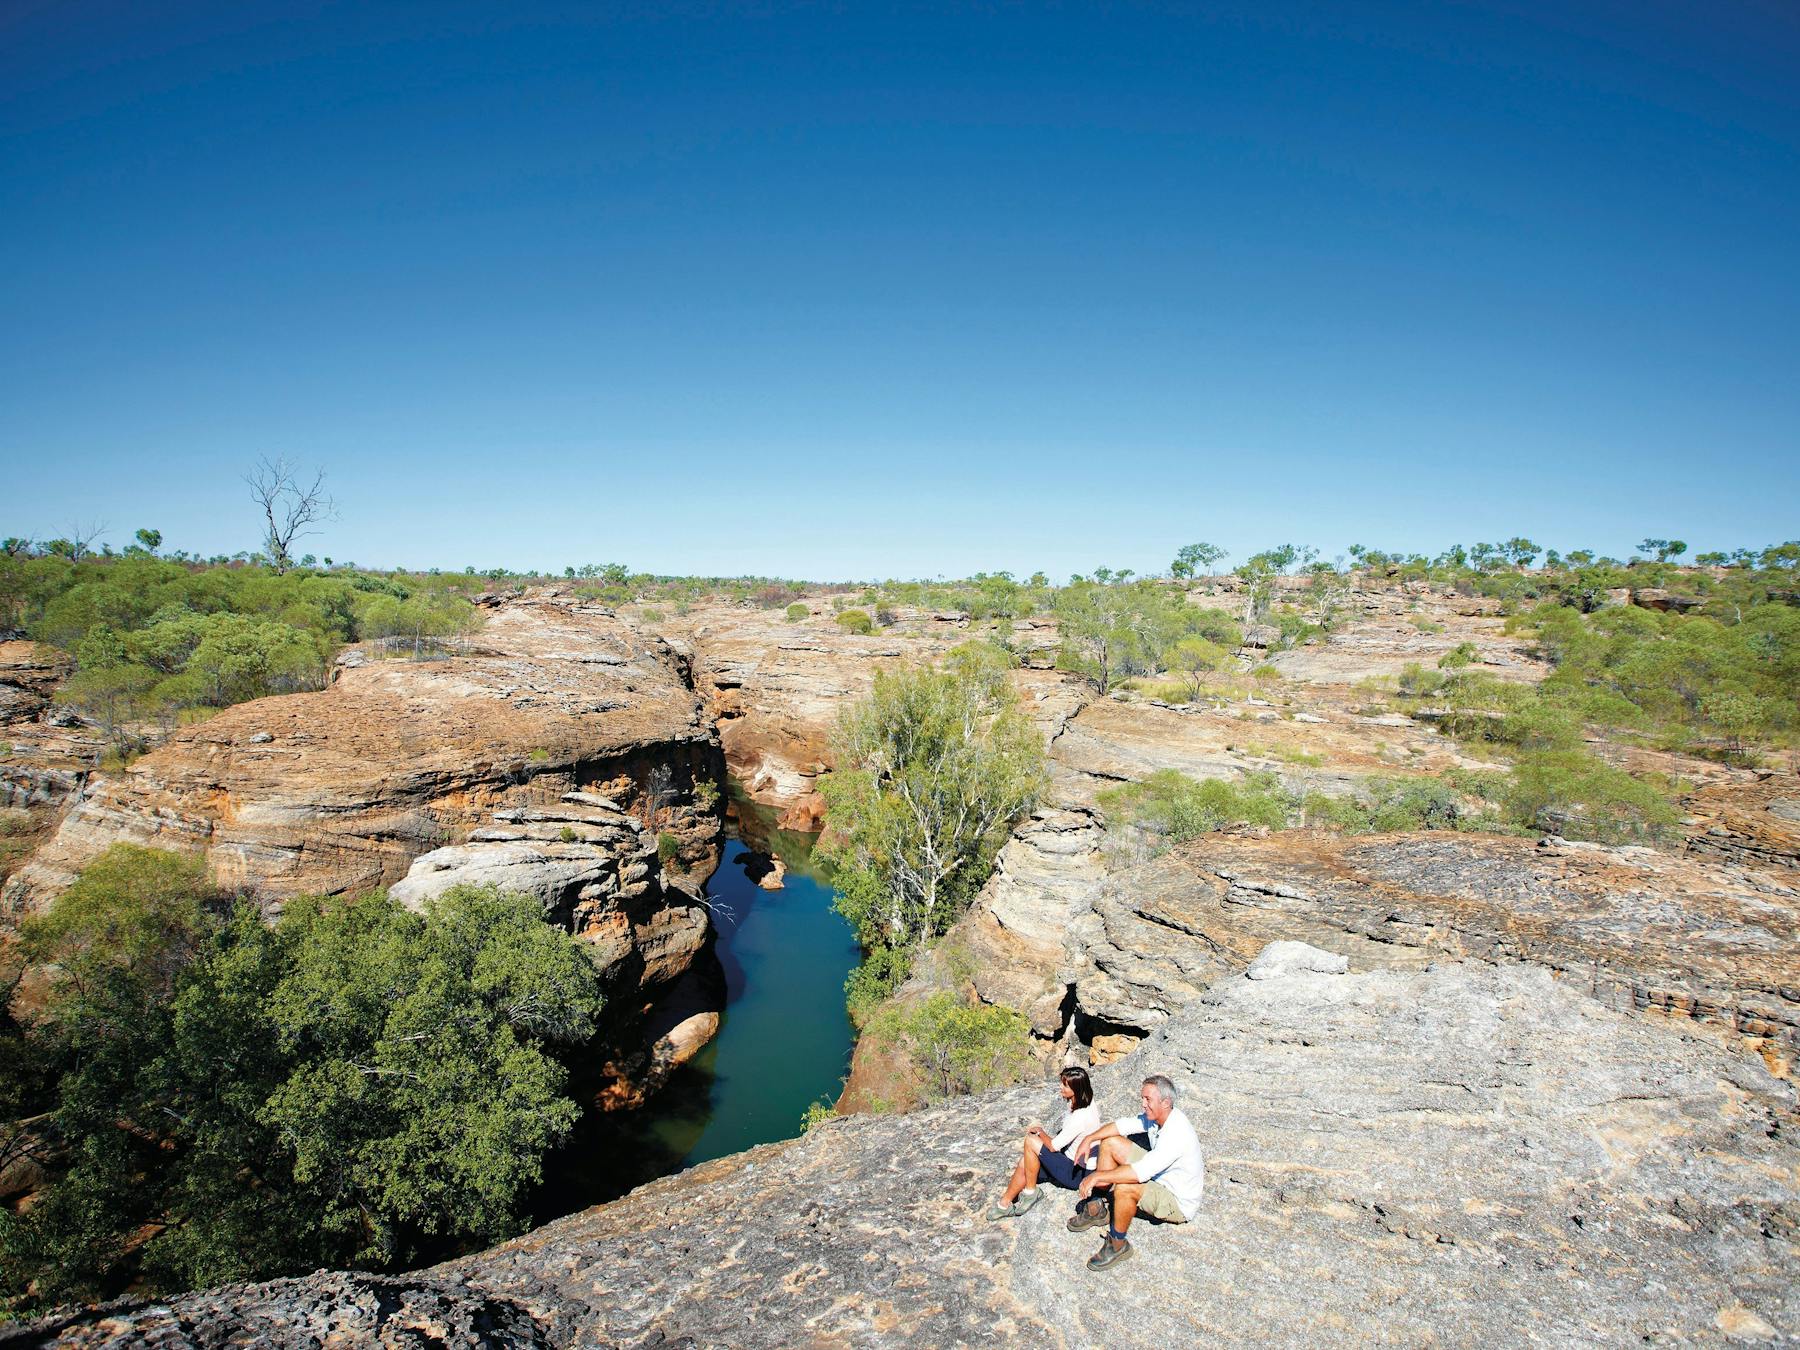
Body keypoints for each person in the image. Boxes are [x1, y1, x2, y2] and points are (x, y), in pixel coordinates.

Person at [1066, 1073, 1203, 1270]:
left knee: (1125, 1187)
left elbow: (1141, 1172)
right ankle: (1098, 1207)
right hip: (1159, 1176)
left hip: (1176, 1200)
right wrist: (1090, 1138)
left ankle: (1118, 1244)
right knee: (1110, 1142)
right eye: (1143, 1098)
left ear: (1166, 1102)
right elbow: (1122, 1125)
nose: (1143, 1104)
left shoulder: (1177, 1132)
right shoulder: (1159, 1117)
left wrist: (1097, 1175)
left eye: (1148, 1099)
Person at [984, 1066, 1099, 1220]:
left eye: (1065, 1085)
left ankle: (1031, 1193)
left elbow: (1053, 1146)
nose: (1061, 1087)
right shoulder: (1082, 1101)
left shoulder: (1081, 1116)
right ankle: (1004, 1204)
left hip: (1078, 1173)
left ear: (1077, 1089)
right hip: (1071, 1161)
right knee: (1027, 1160)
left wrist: (1040, 1133)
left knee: (1031, 1141)